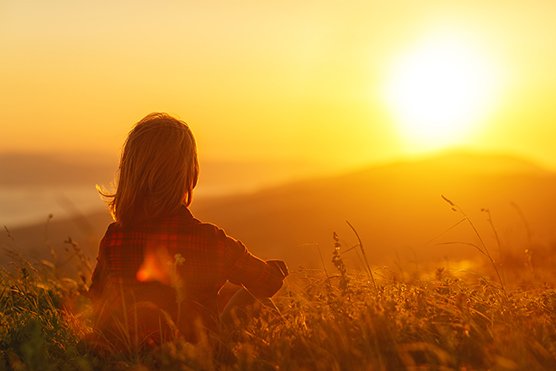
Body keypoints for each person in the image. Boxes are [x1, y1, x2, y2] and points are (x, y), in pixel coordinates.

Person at [88, 113, 288, 351]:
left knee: (226, 291)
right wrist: (274, 270)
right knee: (257, 298)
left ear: (130, 173)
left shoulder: (114, 237)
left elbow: (96, 300)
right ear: (190, 174)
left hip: (132, 356)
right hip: (197, 356)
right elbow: (267, 284)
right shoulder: (209, 240)